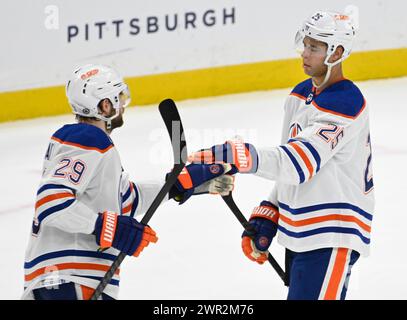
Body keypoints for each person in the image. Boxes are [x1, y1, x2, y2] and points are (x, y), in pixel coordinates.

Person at [189, 9, 374, 300]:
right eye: (306, 44)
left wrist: (240, 155)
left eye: (315, 47)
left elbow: (299, 163)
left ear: (337, 52)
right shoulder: (299, 95)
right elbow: (290, 165)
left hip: (331, 232)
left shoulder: (345, 102)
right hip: (302, 230)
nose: (305, 53)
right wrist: (272, 209)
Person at [22, 64, 234, 300]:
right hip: (70, 280)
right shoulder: (88, 137)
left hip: (70, 282)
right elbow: (51, 203)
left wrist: (176, 184)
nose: (123, 104)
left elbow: (128, 202)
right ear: (105, 105)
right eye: (118, 98)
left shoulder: (97, 149)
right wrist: (106, 227)